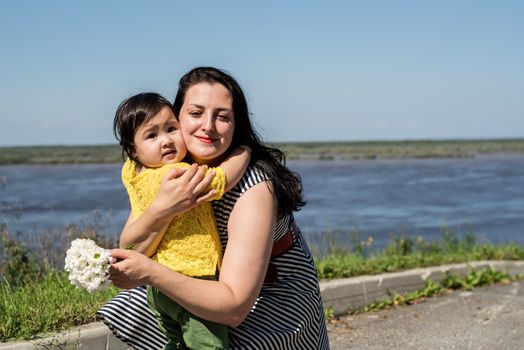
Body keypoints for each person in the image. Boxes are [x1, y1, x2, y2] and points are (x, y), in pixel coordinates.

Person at [97, 67, 330, 349]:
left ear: (236, 124)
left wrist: (151, 273)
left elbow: (234, 307)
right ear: (177, 116)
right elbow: (133, 247)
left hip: (268, 299)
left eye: (222, 116)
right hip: (203, 282)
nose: (208, 126)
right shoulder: (164, 170)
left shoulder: (255, 185)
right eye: (195, 113)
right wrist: (164, 207)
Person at [112, 92, 250, 349]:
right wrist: (244, 151)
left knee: (176, 342)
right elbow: (220, 180)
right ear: (133, 149)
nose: (166, 141)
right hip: (193, 279)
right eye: (152, 136)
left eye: (171, 129)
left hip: (157, 290)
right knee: (208, 344)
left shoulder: (132, 173)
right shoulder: (180, 175)